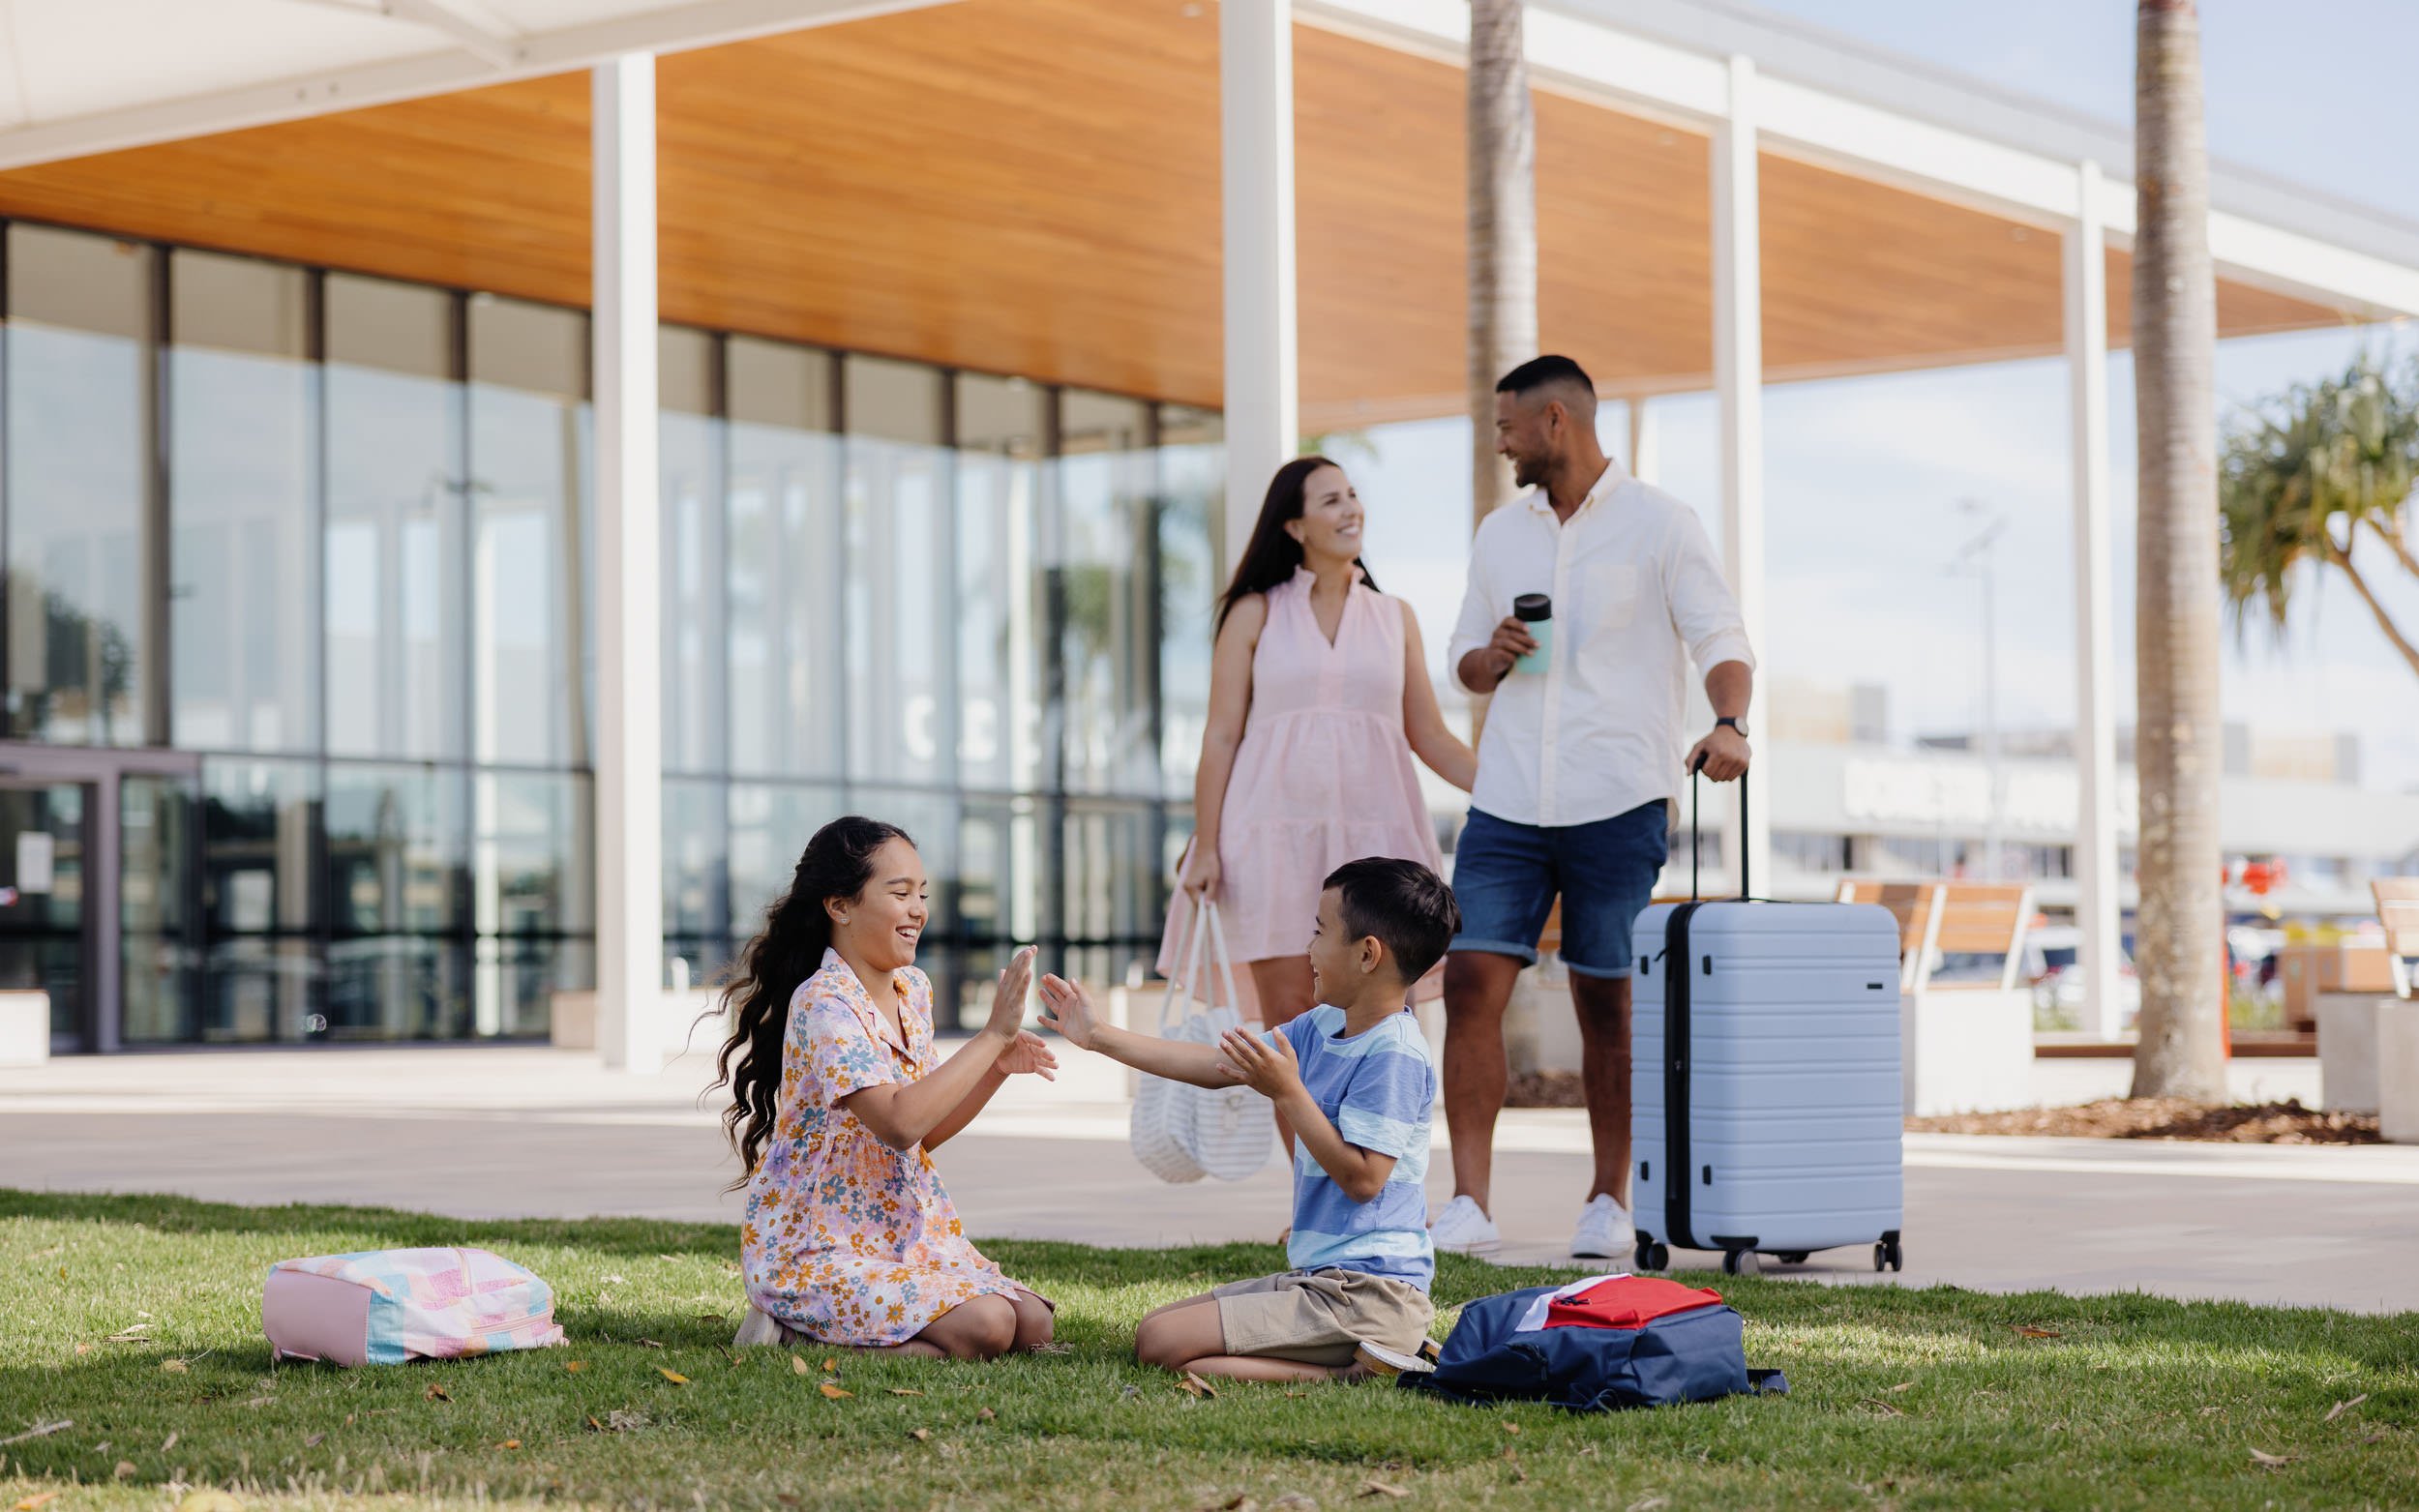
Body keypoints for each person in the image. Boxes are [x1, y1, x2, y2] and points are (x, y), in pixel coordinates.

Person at [1431, 355, 1755, 1261]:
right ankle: (1468, 1203)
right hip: (1506, 802)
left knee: (1604, 1000)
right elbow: (1461, 659)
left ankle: (1609, 1198)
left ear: (1557, 423)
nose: (1500, 443)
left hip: (1618, 798)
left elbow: (1721, 637)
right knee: (1470, 983)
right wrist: (1490, 656)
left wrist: (1730, 722)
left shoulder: (1661, 524)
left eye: (1507, 428)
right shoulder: (1502, 534)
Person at [1041, 858, 1457, 1382]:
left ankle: (1361, 1369)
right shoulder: (1322, 1026)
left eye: (1320, 931)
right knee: (1159, 1327)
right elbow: (1213, 1067)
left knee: (1161, 1343)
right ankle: (1367, 1357)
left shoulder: (1395, 1053)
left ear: (1368, 954)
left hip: (1371, 1294)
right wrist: (1098, 1036)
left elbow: (1364, 1179)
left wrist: (1288, 1091)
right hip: (1321, 1281)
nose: (1309, 948)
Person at [714, 815, 1062, 1359]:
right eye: (899, 893)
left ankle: (888, 1334)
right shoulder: (824, 1002)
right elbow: (899, 1122)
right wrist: (991, 1034)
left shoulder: (912, 990)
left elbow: (924, 1130)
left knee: (1033, 1322)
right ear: (841, 906)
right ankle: (788, 1330)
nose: (918, 909)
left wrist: (995, 1065)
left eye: (922, 893)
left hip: (899, 1237)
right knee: (990, 1326)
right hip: (818, 1249)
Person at [1168, 455, 1475, 1053]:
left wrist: (1512, 792)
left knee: (1382, 1015)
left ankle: (1366, 1151)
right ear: (1294, 526)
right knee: (1288, 1018)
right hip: (1270, 840)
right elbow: (1221, 735)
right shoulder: (1254, 612)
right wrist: (1205, 844)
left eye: (1353, 495)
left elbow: (1431, 735)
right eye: (1331, 499)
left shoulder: (1395, 617)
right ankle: (1308, 1154)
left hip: (1379, 839)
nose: (1351, 508)